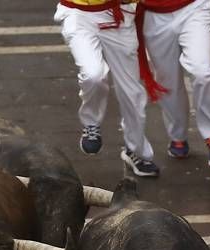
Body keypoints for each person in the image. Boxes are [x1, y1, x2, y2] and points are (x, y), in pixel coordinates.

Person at [54, 0, 159, 177]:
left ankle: (136, 151)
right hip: (78, 15)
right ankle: (91, 123)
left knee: (132, 92)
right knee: (93, 74)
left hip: (118, 14)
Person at [133, 0, 210, 167]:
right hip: (154, 14)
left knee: (203, 72)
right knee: (166, 81)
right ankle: (177, 135)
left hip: (194, 7)